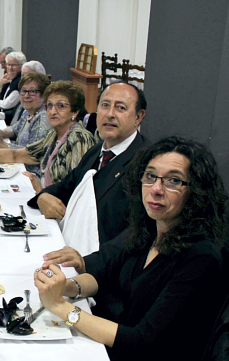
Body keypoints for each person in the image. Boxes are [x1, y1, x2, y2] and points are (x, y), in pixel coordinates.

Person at [34, 136, 227, 361]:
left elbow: (141, 340)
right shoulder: (150, 230)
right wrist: (65, 286)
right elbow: (105, 277)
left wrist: (60, 307)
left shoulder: (202, 258)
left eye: (173, 181)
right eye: (151, 176)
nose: (156, 189)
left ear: (197, 191)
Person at [28, 81, 149, 251]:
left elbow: (135, 234)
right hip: (69, 249)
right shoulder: (97, 151)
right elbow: (66, 185)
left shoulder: (146, 163)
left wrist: (87, 265)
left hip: (102, 267)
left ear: (138, 117)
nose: (110, 114)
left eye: (121, 108)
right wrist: (43, 196)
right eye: (105, 105)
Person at [0, 81, 95, 192]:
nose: (53, 111)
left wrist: (39, 190)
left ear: (75, 111)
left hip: (57, 208)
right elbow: (18, 155)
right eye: (50, 105)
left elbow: (73, 190)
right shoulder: (54, 135)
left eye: (61, 106)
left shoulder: (79, 139)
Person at [0, 60, 46, 125]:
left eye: (29, 76)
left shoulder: (42, 111)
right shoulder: (23, 91)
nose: (24, 79)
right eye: (23, 76)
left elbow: (6, 105)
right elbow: (16, 116)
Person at [0, 51, 26, 125]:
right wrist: (0, 84)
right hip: (3, 116)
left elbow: (6, 104)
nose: (10, 68)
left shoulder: (20, 82)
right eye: (8, 64)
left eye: (13, 65)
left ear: (21, 66)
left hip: (9, 122)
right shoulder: (10, 77)